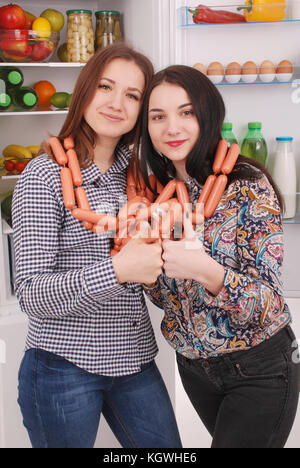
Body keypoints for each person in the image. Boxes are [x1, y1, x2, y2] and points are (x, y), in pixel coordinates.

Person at [13, 44, 181, 449]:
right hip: (61, 365)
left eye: (132, 95)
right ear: (85, 90)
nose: (116, 103)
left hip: (134, 359)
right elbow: (31, 294)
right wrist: (117, 269)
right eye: (105, 87)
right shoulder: (44, 175)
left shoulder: (142, 175)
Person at [139, 64, 300, 448]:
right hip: (195, 369)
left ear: (208, 115)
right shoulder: (157, 194)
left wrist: (207, 271)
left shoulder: (247, 186)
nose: (171, 128)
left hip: (260, 367)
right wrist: (147, 274)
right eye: (157, 116)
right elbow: (171, 299)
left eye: (186, 112)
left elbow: (270, 304)